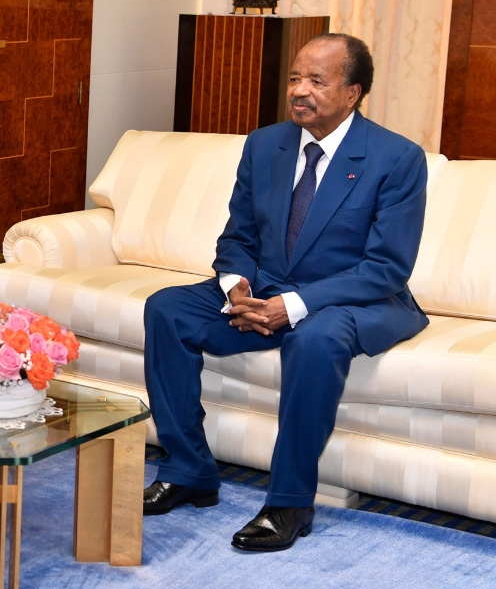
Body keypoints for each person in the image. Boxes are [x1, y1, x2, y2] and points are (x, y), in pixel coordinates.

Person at [141, 33, 428, 551]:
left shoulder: (396, 158)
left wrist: (292, 307)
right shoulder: (263, 144)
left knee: (313, 339)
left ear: (352, 93)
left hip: (349, 299)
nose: (299, 90)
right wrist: (236, 287)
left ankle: (290, 503)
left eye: (317, 81)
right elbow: (238, 237)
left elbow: (386, 268)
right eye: (295, 78)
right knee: (167, 309)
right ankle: (188, 470)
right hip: (267, 289)